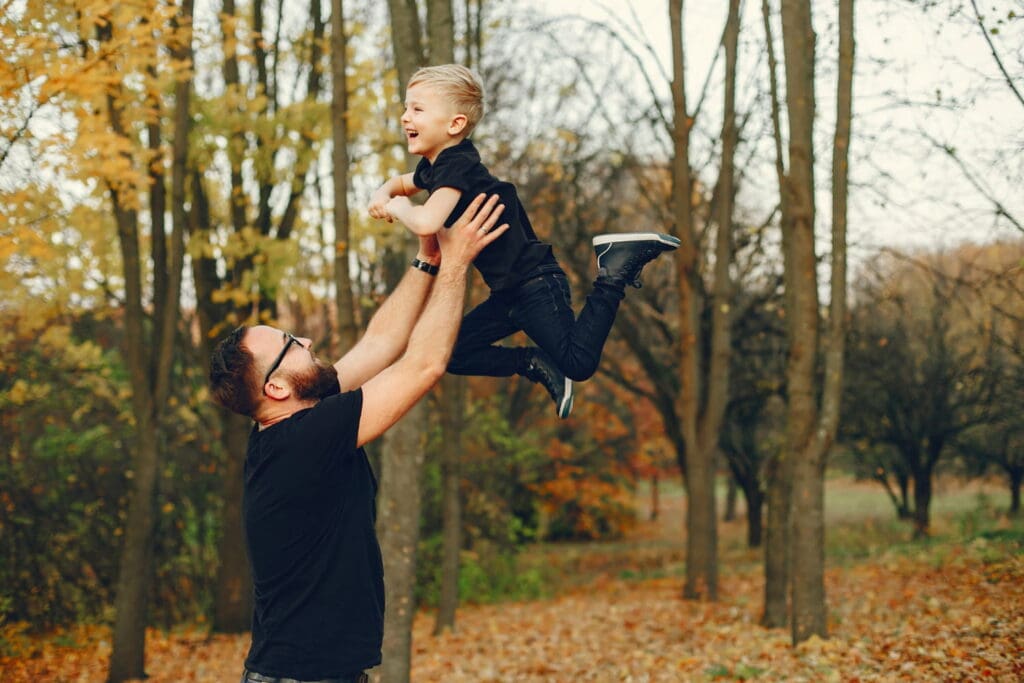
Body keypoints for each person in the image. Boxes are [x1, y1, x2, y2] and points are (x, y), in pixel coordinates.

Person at [209, 194, 509, 683]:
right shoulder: (303, 440)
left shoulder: (294, 418)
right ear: (277, 387)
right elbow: (423, 365)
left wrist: (428, 259)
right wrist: (457, 265)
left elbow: (380, 344)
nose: (305, 341)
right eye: (290, 346)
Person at [369, 64, 680, 419]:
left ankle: (614, 271)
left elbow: (428, 221)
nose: (404, 116)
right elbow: (399, 182)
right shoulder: (436, 167)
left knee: (577, 363)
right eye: (406, 107)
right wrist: (382, 193)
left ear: (454, 125)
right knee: (452, 353)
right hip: (508, 294)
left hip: (535, 284)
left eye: (417, 109)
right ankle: (532, 361)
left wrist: (397, 206)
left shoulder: (457, 164)